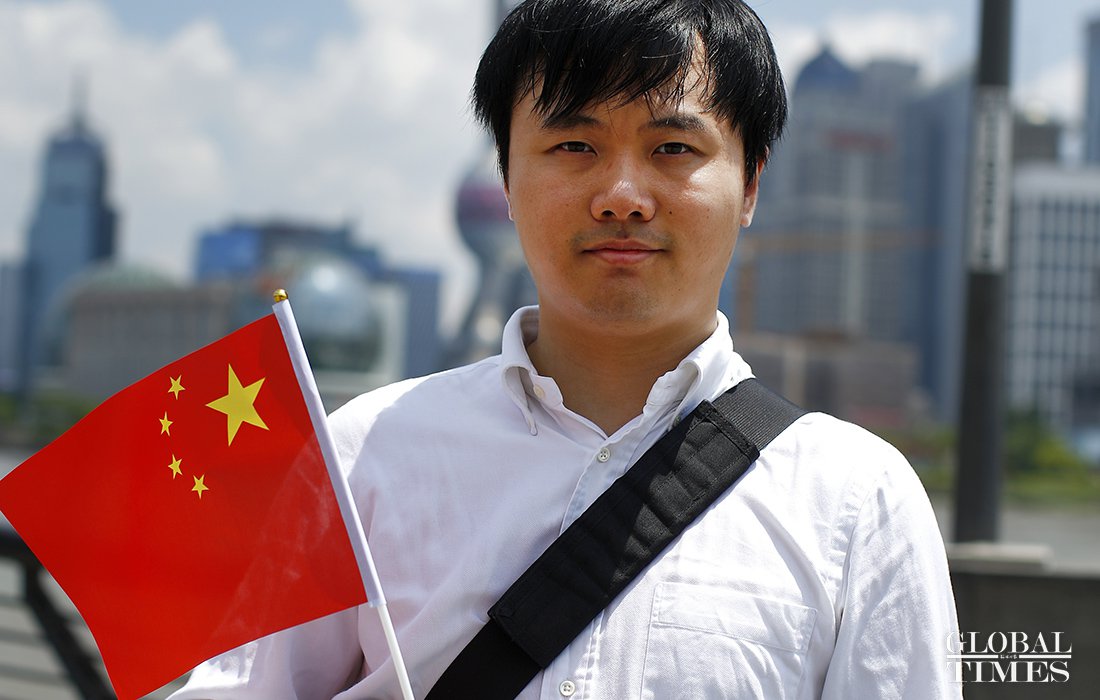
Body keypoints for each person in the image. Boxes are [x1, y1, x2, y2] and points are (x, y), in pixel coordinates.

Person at [171, 0, 961, 698]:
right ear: (507, 181)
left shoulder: (857, 505)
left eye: (673, 149)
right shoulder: (361, 459)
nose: (622, 195)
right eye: (575, 145)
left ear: (750, 184)